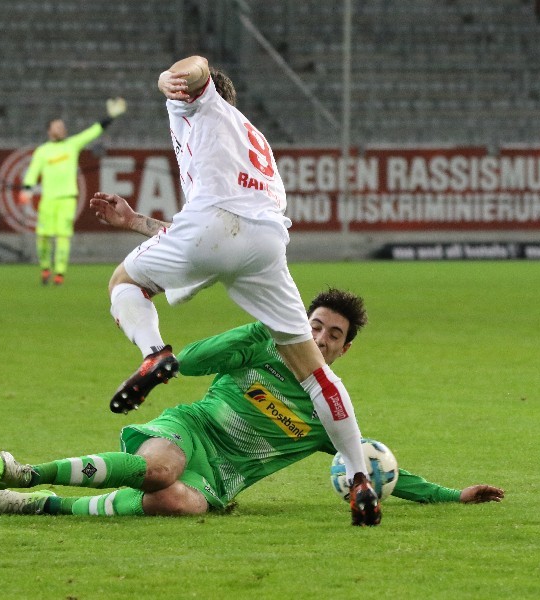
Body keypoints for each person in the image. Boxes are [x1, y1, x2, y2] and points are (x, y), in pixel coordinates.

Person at [86, 55, 382, 525]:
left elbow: (197, 67)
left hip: (215, 225)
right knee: (314, 372)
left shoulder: (199, 106)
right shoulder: (254, 139)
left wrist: (169, 78)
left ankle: (153, 352)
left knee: (124, 282)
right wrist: (136, 222)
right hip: (265, 243)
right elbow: (220, 239)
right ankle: (361, 476)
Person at [0, 288, 505, 519]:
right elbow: (195, 360)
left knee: (175, 503)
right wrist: (254, 332)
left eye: (333, 335)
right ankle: (29, 473)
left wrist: (454, 496)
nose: (319, 338)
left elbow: (377, 470)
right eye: (315, 325)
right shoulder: (261, 341)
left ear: (345, 349)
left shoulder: (330, 411)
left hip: (223, 478)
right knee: (160, 472)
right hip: (193, 428)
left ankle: (47, 505)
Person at [18, 97, 128, 285]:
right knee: (43, 235)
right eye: (57, 126)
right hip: (48, 199)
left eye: (63, 126)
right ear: (49, 130)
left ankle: (59, 272)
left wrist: (109, 117)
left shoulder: (72, 144)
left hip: (67, 198)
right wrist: (27, 189)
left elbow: (93, 131)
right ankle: (45, 267)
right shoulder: (42, 151)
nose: (62, 129)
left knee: (63, 235)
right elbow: (33, 171)